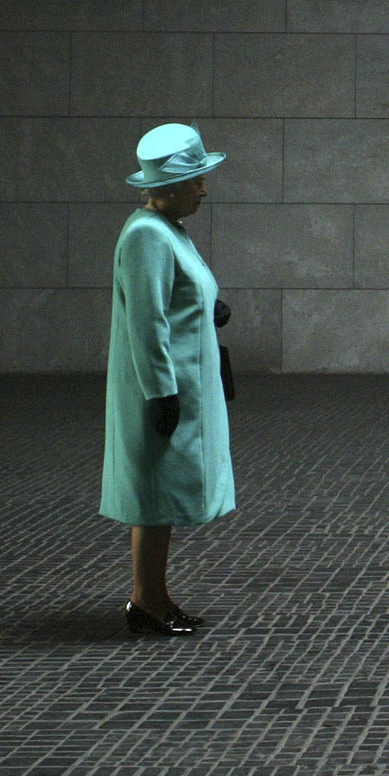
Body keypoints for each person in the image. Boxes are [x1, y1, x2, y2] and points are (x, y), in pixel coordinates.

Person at [102, 123, 233, 636]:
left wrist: (206, 307)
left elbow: (170, 298)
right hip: (165, 387)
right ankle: (146, 602)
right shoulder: (146, 236)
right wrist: (161, 392)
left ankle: (152, 597)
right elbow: (146, 320)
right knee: (153, 497)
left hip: (181, 385)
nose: (204, 189)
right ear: (170, 186)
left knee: (159, 498)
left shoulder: (165, 230)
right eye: (196, 179)